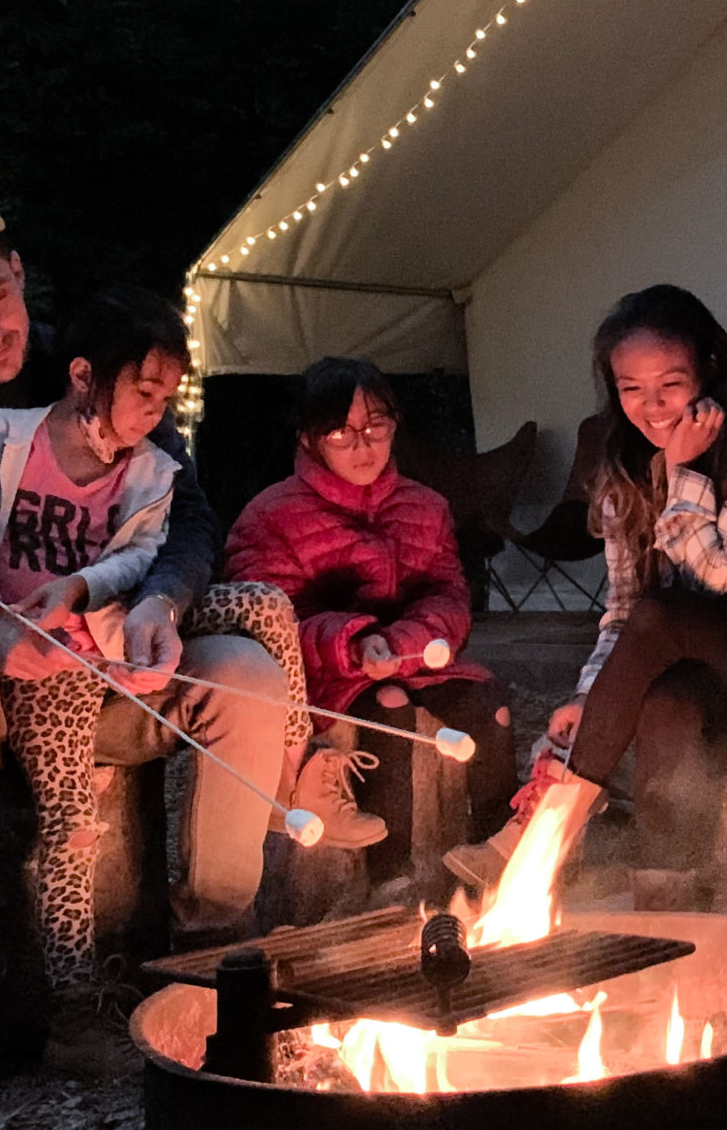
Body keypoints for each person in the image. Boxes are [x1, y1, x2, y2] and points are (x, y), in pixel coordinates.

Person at [0, 186, 292, 1127]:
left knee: (244, 671)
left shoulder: (95, 363)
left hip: (111, 661)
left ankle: (213, 954)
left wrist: (162, 598)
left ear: (19, 272)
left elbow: (186, 514)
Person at [462, 284, 727, 888]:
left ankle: (544, 834)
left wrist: (684, 470)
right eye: (631, 388)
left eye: (671, 383)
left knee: (665, 610)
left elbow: (714, 577)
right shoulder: (621, 466)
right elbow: (623, 612)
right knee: (666, 707)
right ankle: (666, 891)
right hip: (714, 655)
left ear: (708, 369)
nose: (652, 405)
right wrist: (594, 697)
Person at [0, 287, 194, 1027]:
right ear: (83, 376)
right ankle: (74, 994)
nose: (153, 413)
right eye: (143, 392)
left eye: (166, 399)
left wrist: (81, 586)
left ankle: (299, 772)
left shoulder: (153, 472)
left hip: (112, 641)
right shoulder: (0, 438)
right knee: (71, 815)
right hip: (40, 663)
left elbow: (140, 556)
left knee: (260, 603)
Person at [222, 358, 518, 886]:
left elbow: (449, 594)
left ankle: (500, 856)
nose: (363, 445)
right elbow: (270, 618)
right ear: (310, 438)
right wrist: (354, 644)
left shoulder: (424, 507)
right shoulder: (272, 516)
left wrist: (400, 640)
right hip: (329, 672)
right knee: (390, 709)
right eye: (342, 431)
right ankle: (391, 879)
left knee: (488, 704)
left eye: (376, 426)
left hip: (414, 658)